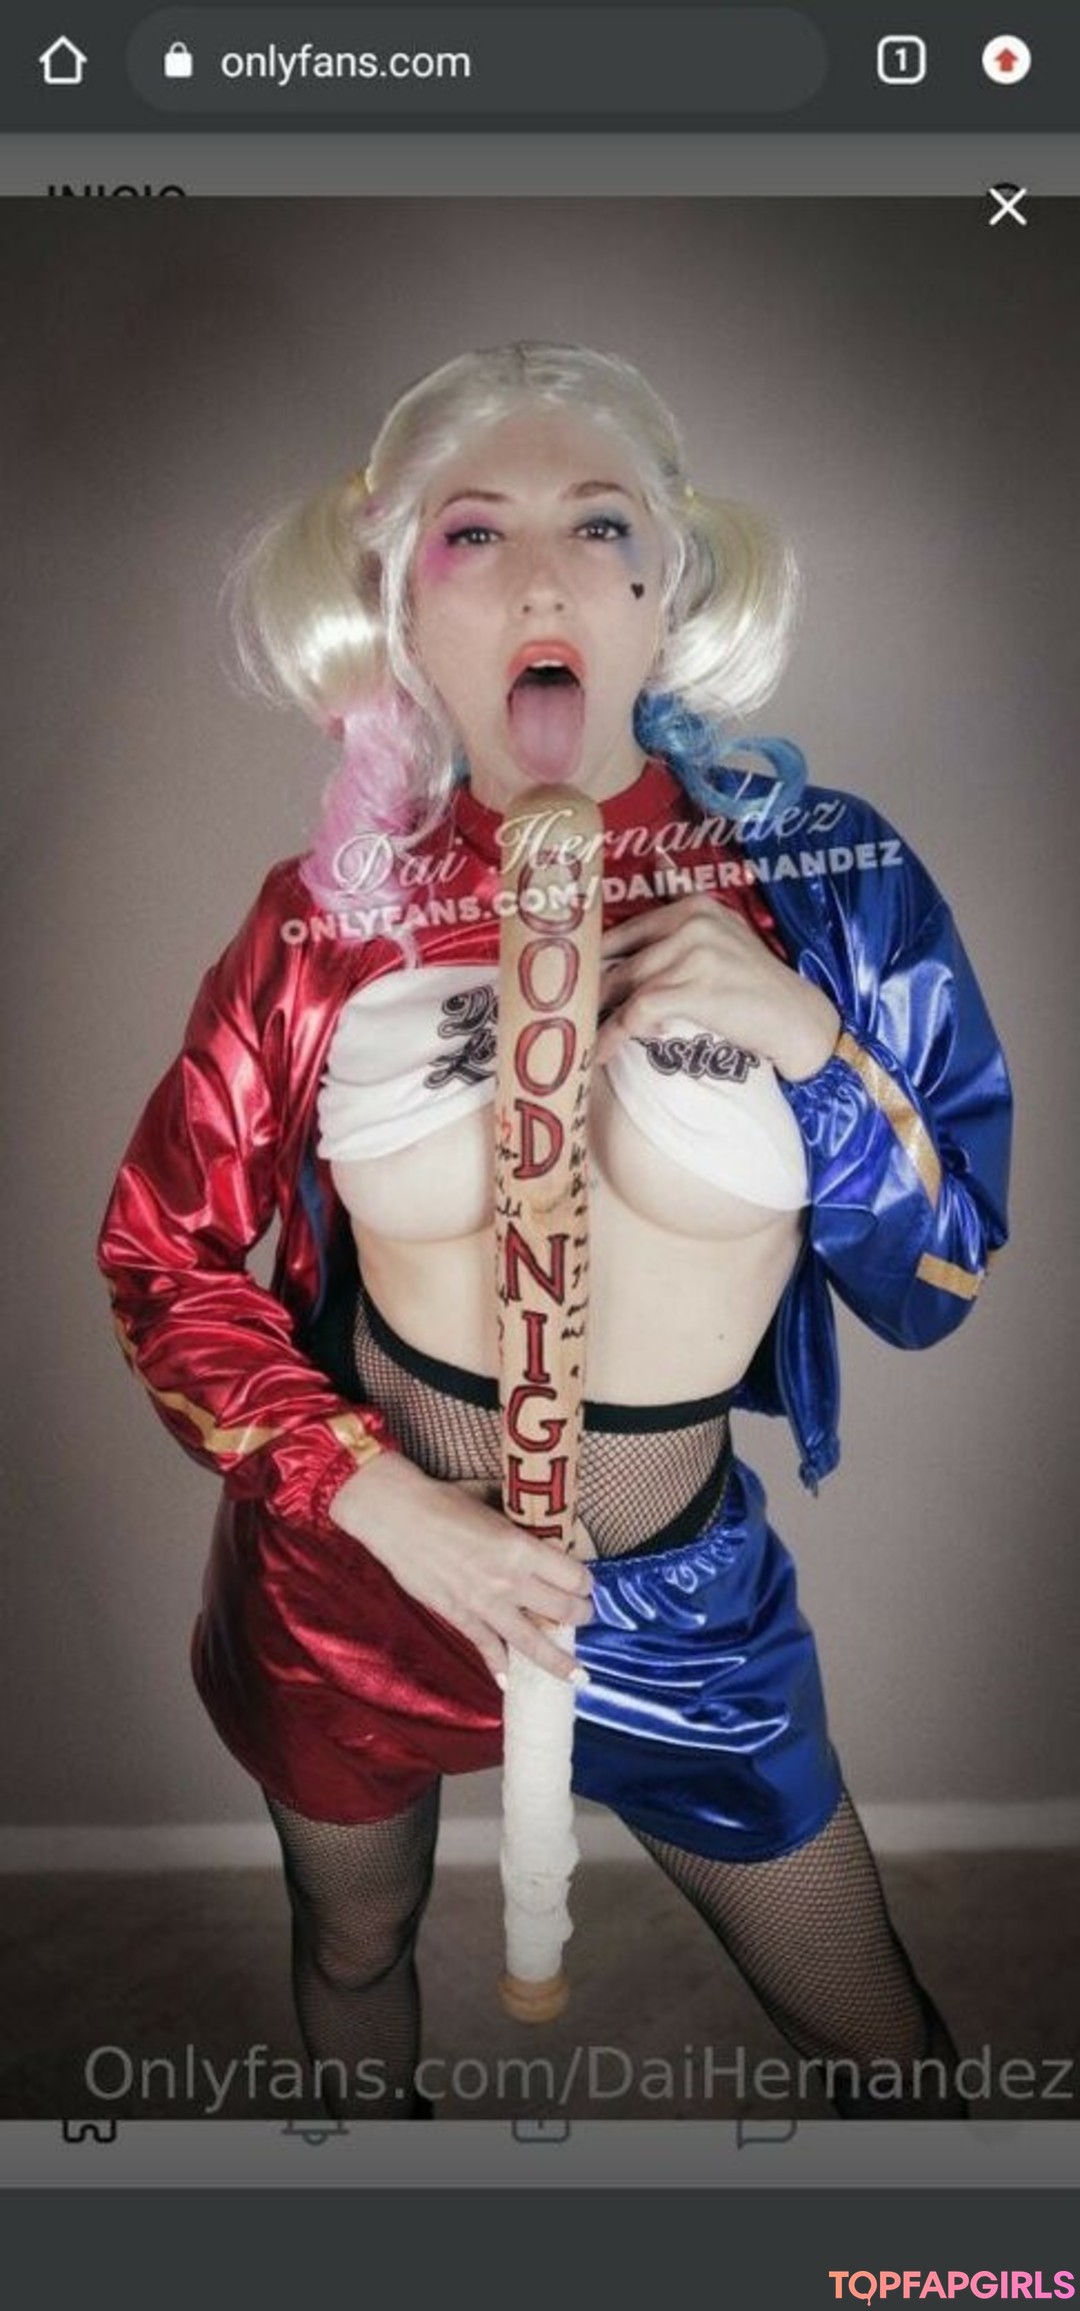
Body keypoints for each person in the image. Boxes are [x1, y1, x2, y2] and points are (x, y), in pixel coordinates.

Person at [98, 342, 1011, 2122]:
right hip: (360, 1576)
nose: (541, 580)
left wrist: (811, 1048)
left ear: (671, 589)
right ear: (396, 608)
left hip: (665, 1596)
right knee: (352, 1948)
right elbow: (163, 1260)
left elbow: (943, 1268)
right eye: (472, 534)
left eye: (600, 527)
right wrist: (378, 1504)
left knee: (877, 2042)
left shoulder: (826, 886)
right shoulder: (327, 924)